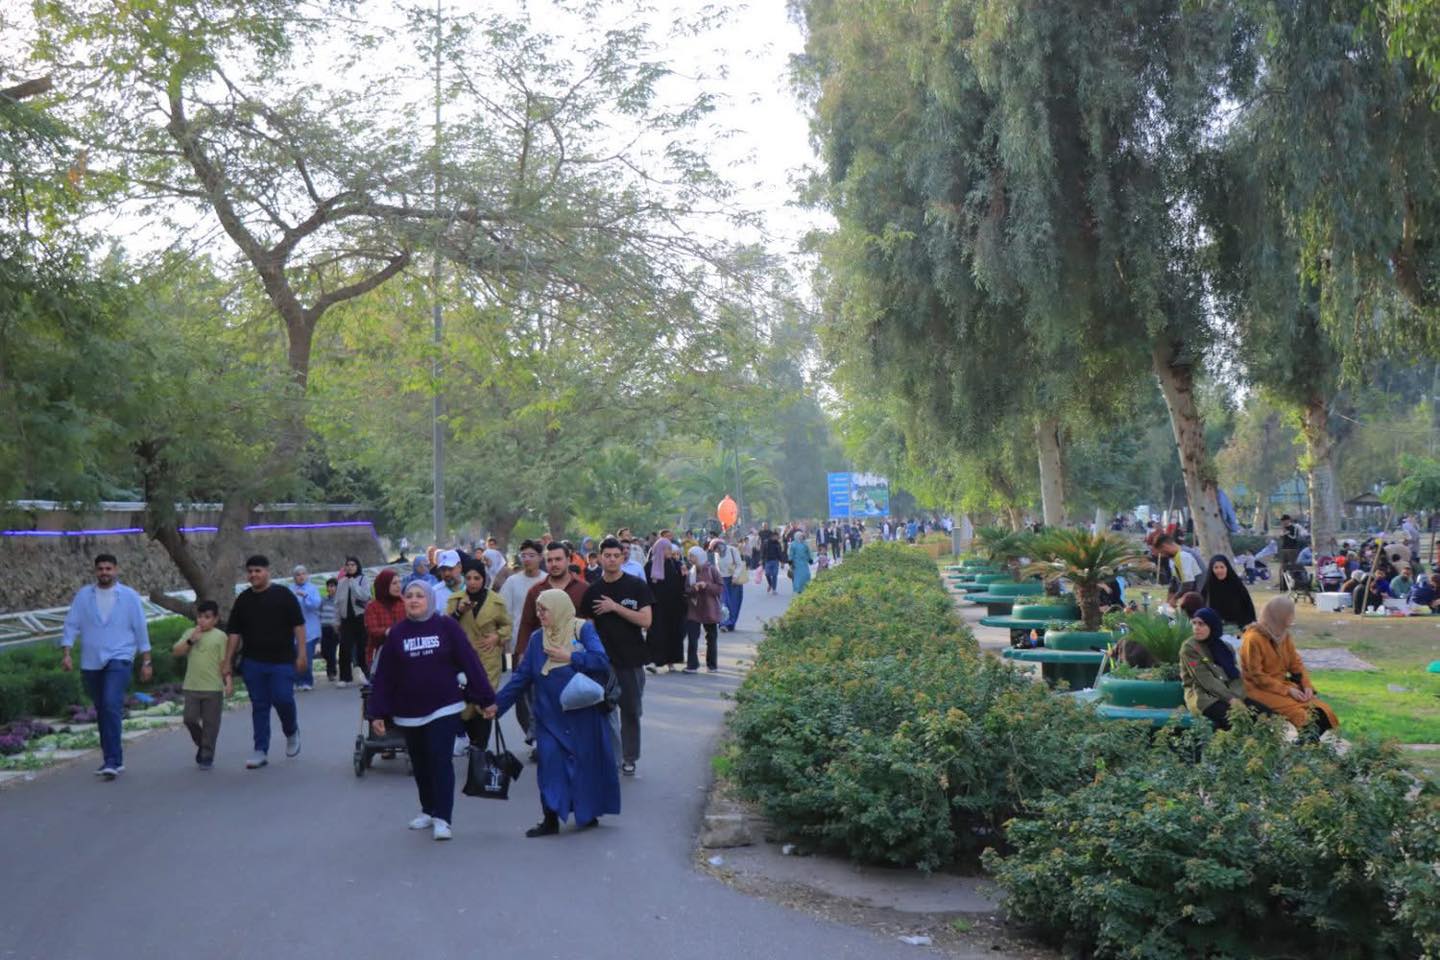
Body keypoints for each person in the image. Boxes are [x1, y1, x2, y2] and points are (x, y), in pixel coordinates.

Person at [367, 582, 496, 842]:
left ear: (430, 599)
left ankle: (443, 818)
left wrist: (485, 698)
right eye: (409, 596)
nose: (414, 600)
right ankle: (428, 809)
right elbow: (385, 676)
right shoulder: (398, 633)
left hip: (444, 707)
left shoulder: (446, 626)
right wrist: (377, 712)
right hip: (409, 711)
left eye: (420, 596)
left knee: (440, 760)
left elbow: (469, 661)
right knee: (421, 763)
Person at [494, 589, 622, 836]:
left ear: (559, 608)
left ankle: (587, 812)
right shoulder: (536, 639)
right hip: (549, 717)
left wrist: (571, 657)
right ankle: (550, 818)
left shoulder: (582, 629)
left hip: (583, 716)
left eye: (545, 609)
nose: (540, 614)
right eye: (538, 609)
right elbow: (521, 677)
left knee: (585, 766)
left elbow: (601, 661)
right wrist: (496, 706)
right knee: (549, 767)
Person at [60, 553, 152, 780]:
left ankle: (112, 761)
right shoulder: (84, 596)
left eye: (108, 568)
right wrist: (67, 653)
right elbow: (71, 624)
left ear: (116, 570)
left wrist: (146, 660)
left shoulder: (129, 596)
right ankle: (112, 758)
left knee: (111, 703)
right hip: (91, 661)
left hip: (120, 657)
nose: (104, 572)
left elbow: (140, 628)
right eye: (100, 568)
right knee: (102, 708)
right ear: (95, 571)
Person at [223, 555, 308, 769]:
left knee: (283, 698)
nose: (253, 575)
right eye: (250, 571)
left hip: (282, 661)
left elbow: (298, 625)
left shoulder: (283, 595)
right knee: (260, 705)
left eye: (257, 571)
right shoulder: (243, 600)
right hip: (253, 662)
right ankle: (260, 749)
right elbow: (234, 633)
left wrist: (302, 654)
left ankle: (291, 731)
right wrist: (227, 661)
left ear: (267, 571)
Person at [583, 536, 653, 776]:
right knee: (602, 710)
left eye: (616, 555)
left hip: (631, 659)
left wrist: (615, 607)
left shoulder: (636, 586)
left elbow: (646, 620)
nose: (612, 560)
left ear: (623, 557)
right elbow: (587, 628)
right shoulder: (593, 591)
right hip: (603, 662)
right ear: (599, 558)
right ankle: (609, 756)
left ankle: (629, 757)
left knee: (631, 711)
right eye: (607, 555)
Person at [1240, 596, 1339, 739]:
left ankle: (1312, 747)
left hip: (1281, 686)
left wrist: (1307, 686)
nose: (1293, 617)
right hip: (1258, 690)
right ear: (1278, 615)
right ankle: (1305, 747)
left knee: (1322, 711)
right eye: (1290, 613)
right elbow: (1257, 676)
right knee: (1301, 714)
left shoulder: (1283, 635)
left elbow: (1296, 663)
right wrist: (1287, 690)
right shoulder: (1253, 639)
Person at [447, 558, 511, 751]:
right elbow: (445, 628)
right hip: (462, 660)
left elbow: (507, 626)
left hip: (488, 658)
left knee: (485, 701)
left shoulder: (496, 601)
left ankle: (479, 749)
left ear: (484, 579)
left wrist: (497, 636)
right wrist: (459, 612)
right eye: (469, 578)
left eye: (477, 578)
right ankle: (471, 742)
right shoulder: (455, 600)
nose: (473, 582)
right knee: (466, 705)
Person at [1180, 607, 1266, 730]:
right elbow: (1206, 681)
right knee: (1234, 720)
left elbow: (1235, 677)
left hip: (1229, 692)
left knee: (1266, 714)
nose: (1196, 628)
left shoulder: (1225, 647)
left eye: (1201, 624)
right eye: (1194, 623)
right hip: (1204, 696)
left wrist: (1240, 698)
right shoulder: (1190, 648)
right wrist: (1231, 699)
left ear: (1212, 626)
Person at [173, 600, 230, 769]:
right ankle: (203, 744)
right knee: (189, 719)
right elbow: (176, 652)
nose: (202, 620)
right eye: (199, 617)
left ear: (216, 619)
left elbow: (223, 662)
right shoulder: (190, 633)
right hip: (192, 686)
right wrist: (191, 641)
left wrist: (227, 681)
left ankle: (207, 755)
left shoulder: (220, 636)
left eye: (207, 617)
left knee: (211, 724)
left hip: (213, 688)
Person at [646, 535, 686, 672]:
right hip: (657, 607)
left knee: (673, 633)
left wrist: (684, 575)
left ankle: (671, 662)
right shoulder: (650, 566)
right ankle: (652, 662)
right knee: (656, 634)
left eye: (670, 548)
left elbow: (681, 585)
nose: (669, 551)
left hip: (674, 607)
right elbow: (646, 586)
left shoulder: (675, 564)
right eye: (666, 548)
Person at [500, 540, 546, 659]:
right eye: (523, 556)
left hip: (544, 640)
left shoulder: (546, 580)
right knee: (514, 669)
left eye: (531, 556)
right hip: (516, 640)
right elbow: (504, 612)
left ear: (540, 557)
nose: (527, 559)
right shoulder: (512, 582)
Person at [683, 545, 723, 673]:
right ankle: (692, 665)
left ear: (699, 556)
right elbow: (686, 590)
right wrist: (693, 588)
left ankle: (712, 665)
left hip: (709, 609)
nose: (690, 558)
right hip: (694, 608)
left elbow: (720, 588)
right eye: (689, 556)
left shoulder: (712, 570)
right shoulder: (691, 572)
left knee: (711, 638)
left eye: (692, 556)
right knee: (692, 637)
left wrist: (706, 586)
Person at [333, 557, 370, 686]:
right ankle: (345, 678)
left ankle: (365, 674)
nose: (350, 567)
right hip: (346, 619)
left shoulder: (363, 579)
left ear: (357, 566)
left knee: (362, 648)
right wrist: (336, 620)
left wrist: (353, 583)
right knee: (344, 648)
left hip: (360, 618)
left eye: (353, 565)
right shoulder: (341, 582)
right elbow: (337, 603)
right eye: (348, 565)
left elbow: (364, 596)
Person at [1198, 554, 1256, 630]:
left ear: (1227, 568)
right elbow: (1201, 606)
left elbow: (1248, 606)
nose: (1219, 570)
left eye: (1222, 567)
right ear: (1211, 569)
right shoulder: (1209, 585)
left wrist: (1249, 624)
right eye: (1216, 567)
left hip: (1238, 626)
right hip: (1214, 627)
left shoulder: (1236, 584)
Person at [364, 569, 405, 674]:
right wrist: (388, 631)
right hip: (379, 653)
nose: (398, 586)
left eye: (399, 582)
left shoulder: (404, 602)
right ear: (384, 585)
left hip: (404, 651)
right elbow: (372, 630)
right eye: (394, 583)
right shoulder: (372, 606)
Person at [290, 565, 322, 692]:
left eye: (303, 574)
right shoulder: (290, 589)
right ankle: (297, 681)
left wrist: (305, 596)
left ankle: (307, 681)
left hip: (310, 630)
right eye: (298, 575)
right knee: (295, 656)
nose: (301, 576)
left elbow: (316, 605)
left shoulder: (312, 588)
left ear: (307, 575)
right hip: (294, 630)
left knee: (306, 656)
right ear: (294, 577)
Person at [715, 536, 744, 632]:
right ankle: (724, 623)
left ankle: (731, 623)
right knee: (724, 602)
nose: (716, 551)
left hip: (734, 580)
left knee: (734, 603)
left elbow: (739, 564)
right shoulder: (716, 553)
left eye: (716, 548)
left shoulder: (732, 550)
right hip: (723, 580)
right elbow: (717, 567)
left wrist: (735, 576)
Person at [319, 576, 340, 684]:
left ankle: (331, 672)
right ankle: (332, 665)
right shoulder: (323, 600)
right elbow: (319, 613)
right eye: (329, 586)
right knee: (324, 651)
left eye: (333, 586)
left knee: (331, 650)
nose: (330, 588)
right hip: (324, 628)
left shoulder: (340, 600)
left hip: (334, 629)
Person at [431, 549, 465, 616]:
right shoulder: (434, 592)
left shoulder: (472, 587)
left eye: (450, 569)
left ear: (460, 567)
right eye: (443, 570)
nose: (447, 574)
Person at [760, 526, 784, 594]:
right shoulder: (766, 542)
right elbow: (763, 551)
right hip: (767, 561)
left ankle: (774, 589)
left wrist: (782, 562)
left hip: (775, 561)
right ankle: (770, 584)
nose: (777, 538)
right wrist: (761, 559)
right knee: (767, 574)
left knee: (774, 575)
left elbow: (780, 553)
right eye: (776, 537)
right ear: (772, 536)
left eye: (777, 537)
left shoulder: (778, 543)